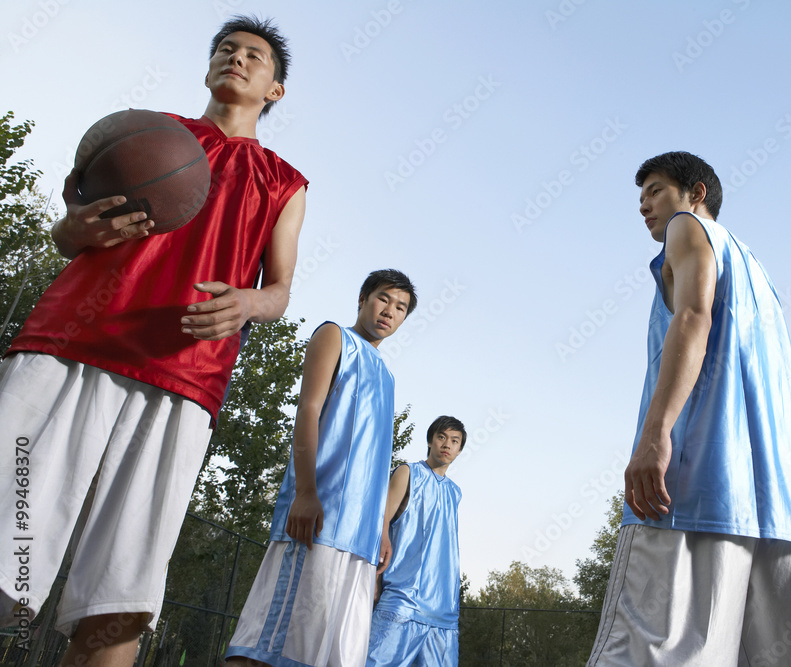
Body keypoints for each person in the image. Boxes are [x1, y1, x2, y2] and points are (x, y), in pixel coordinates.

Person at [0, 15, 307, 666]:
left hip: (183, 375)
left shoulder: (285, 181)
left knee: (114, 610)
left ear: (275, 90)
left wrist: (248, 302)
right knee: (6, 554)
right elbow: (66, 236)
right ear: (208, 69)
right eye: (225, 49)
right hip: (70, 347)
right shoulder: (141, 136)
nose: (236, 58)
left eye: (254, 55)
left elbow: (279, 291)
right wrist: (76, 226)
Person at [587, 152, 791, 666]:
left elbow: (694, 315)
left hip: (696, 480)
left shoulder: (688, 229)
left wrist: (656, 434)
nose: (644, 206)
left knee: (661, 647)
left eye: (654, 190)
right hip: (785, 500)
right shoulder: (759, 273)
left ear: (695, 193)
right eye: (640, 197)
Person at [225, 269, 417, 667]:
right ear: (363, 297)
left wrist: (380, 528)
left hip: (360, 538)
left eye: (400, 308)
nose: (390, 312)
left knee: (324, 656)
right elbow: (308, 410)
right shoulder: (334, 336)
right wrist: (306, 492)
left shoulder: (386, 373)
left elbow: (375, 459)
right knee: (266, 646)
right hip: (319, 518)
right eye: (384, 299)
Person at [366, 415, 466, 667]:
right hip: (403, 598)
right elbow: (381, 527)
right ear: (430, 440)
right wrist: (374, 579)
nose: (447, 444)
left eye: (454, 441)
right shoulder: (408, 472)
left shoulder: (455, 492)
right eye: (441, 437)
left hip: (444, 611)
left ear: (459, 449)